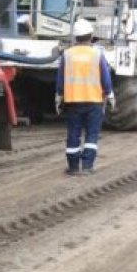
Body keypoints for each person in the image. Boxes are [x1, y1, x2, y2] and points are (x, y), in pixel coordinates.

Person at [55, 18, 115, 176]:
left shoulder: (67, 55)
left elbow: (60, 79)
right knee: (92, 134)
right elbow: (105, 77)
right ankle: (87, 166)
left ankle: (73, 167)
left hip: (73, 101)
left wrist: (59, 95)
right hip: (94, 101)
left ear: (75, 37)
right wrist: (110, 94)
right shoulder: (97, 54)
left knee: (73, 133)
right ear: (91, 36)